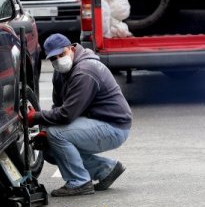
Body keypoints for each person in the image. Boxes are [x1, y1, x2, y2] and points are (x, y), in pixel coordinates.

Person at [26, 33, 132, 197]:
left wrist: (35, 117)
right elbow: (59, 106)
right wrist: (45, 130)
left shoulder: (85, 71)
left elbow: (67, 114)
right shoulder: (60, 73)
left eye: (62, 54)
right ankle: (106, 170)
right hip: (93, 121)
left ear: (72, 48)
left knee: (57, 135)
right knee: (49, 147)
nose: (59, 60)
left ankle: (79, 182)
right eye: (54, 58)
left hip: (113, 127)